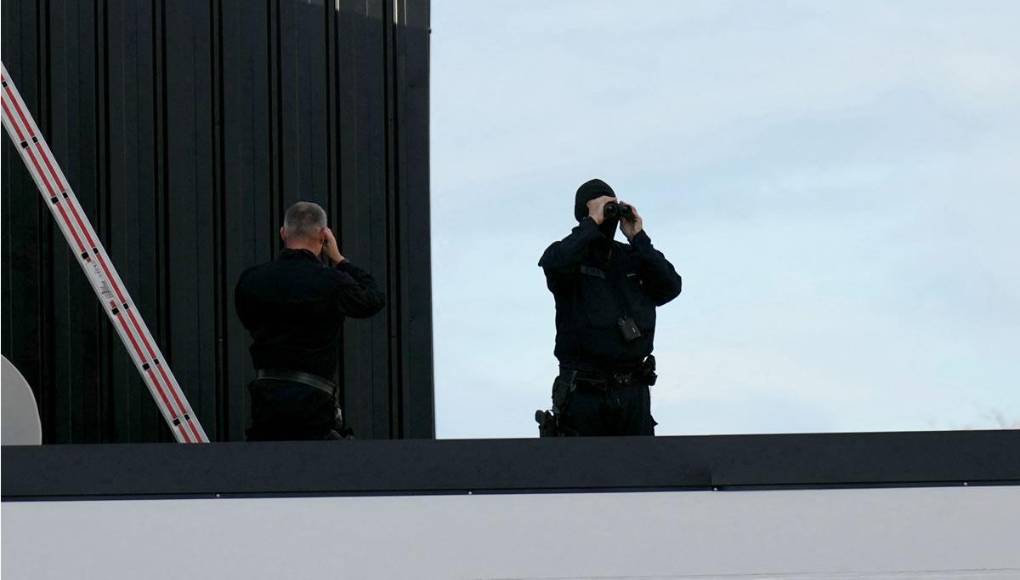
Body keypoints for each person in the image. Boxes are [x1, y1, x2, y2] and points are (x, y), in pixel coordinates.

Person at [537, 179, 682, 436]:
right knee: (582, 471)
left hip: (632, 392)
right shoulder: (568, 257)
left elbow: (670, 287)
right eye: (603, 208)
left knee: (640, 472)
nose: (610, 216)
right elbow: (555, 265)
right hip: (583, 393)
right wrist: (590, 224)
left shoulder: (633, 259)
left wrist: (638, 237)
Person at [235, 201, 385, 441]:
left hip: (266, 402)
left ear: (283, 233)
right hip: (313, 404)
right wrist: (340, 260)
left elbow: (247, 319)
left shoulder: (252, 279)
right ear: (323, 235)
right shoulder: (333, 282)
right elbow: (373, 299)